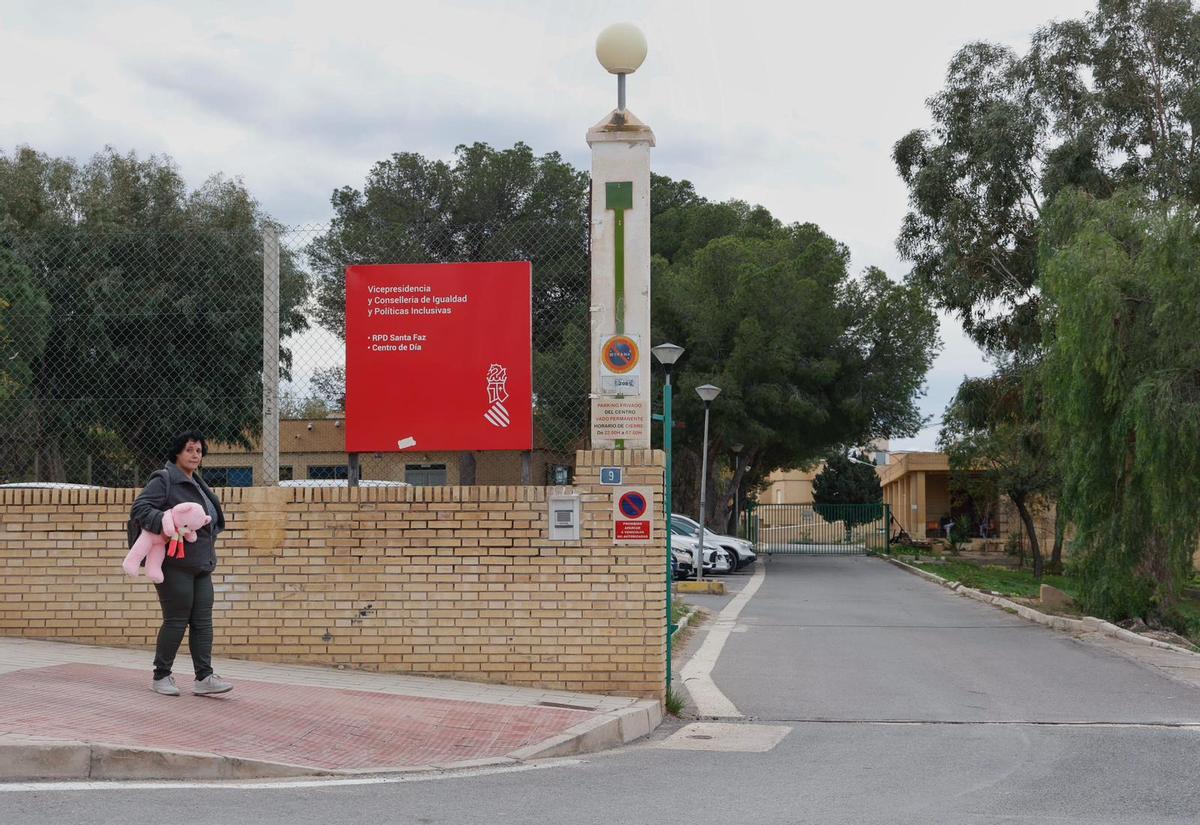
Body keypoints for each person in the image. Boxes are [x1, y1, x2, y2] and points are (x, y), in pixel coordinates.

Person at [130, 430, 231, 697]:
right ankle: (161, 676)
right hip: (174, 564)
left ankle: (204, 678)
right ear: (177, 452)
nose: (195, 455)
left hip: (202, 564)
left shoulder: (197, 483)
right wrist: (169, 523)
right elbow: (140, 509)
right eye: (189, 450)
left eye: (199, 451)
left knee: (203, 622)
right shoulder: (164, 479)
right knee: (176, 620)